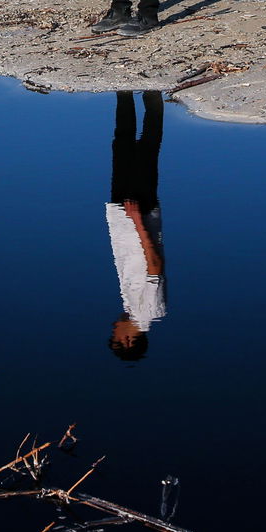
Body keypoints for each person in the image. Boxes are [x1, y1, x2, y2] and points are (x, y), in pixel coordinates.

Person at [104, 91, 165, 360]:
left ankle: (125, 90)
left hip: (124, 215)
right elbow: (154, 267)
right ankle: (151, 93)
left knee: (123, 145)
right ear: (128, 341)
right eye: (115, 334)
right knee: (146, 147)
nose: (114, 327)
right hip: (137, 214)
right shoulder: (149, 312)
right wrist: (138, 220)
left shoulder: (133, 308)